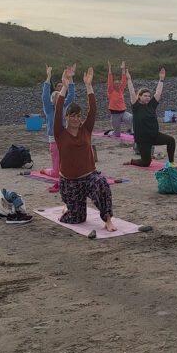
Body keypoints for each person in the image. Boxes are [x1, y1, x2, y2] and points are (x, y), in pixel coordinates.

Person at [53, 66, 117, 231]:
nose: (76, 119)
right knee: (76, 219)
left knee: (102, 183)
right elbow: (57, 110)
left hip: (88, 177)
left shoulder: (86, 129)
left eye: (78, 116)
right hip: (69, 183)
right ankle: (68, 207)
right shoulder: (60, 132)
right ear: (67, 117)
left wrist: (88, 85)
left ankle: (108, 220)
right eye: (72, 116)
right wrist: (65, 86)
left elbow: (93, 110)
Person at [127, 67, 176, 166]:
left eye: (149, 96)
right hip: (142, 140)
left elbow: (158, 92)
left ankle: (171, 163)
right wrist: (129, 79)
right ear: (139, 96)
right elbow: (132, 92)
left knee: (171, 140)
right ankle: (133, 161)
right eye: (145, 96)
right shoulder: (136, 107)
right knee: (146, 163)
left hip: (154, 136)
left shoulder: (151, 105)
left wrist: (161, 79)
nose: (148, 98)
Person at [42, 64, 75, 192]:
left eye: (61, 95)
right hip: (54, 140)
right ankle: (45, 170)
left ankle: (64, 182)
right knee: (56, 172)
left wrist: (70, 79)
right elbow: (44, 96)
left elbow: (71, 94)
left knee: (69, 166)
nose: (60, 97)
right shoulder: (49, 109)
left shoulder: (65, 106)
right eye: (57, 96)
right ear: (52, 100)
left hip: (65, 138)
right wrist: (48, 76)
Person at [107, 60, 133, 137]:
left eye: (118, 83)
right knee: (117, 134)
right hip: (115, 115)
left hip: (123, 113)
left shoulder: (121, 90)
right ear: (113, 85)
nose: (118, 84)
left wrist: (123, 69)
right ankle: (110, 132)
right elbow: (109, 80)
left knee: (131, 117)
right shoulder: (110, 91)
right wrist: (109, 68)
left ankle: (129, 129)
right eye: (116, 83)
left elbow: (124, 80)